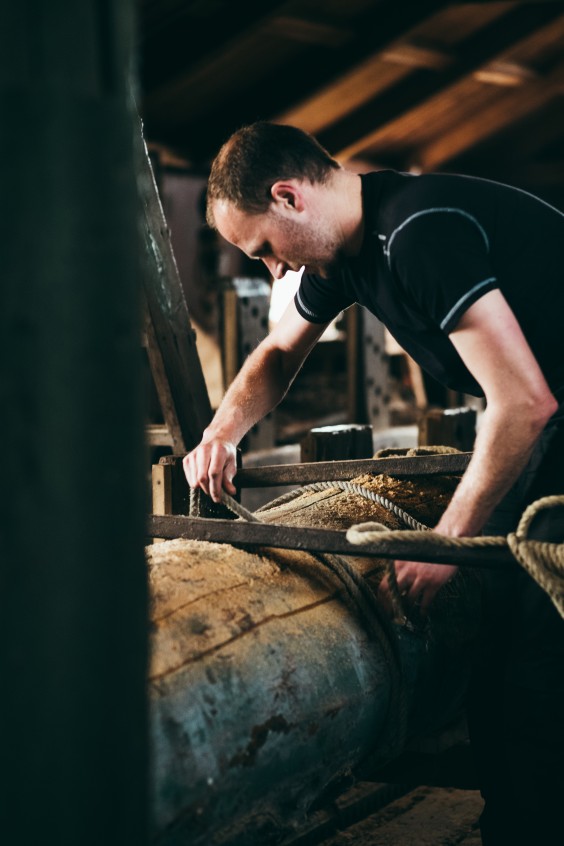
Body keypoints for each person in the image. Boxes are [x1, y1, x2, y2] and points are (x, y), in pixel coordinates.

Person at [183, 121, 564, 845]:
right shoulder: (342, 258)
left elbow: (522, 401)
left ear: (289, 197)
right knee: (495, 653)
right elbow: (275, 352)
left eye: (263, 250)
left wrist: (443, 542)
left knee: (539, 670)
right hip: (552, 422)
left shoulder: (417, 234)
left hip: (546, 417)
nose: (272, 272)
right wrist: (221, 432)